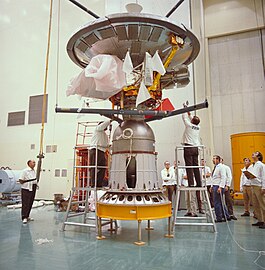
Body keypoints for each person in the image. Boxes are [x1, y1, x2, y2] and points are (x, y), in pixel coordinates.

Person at [181, 103, 202, 188]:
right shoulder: (198, 127)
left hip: (188, 147)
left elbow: (184, 118)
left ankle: (191, 183)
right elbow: (191, 119)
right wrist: (189, 111)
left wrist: (184, 109)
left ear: (192, 121)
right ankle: (199, 183)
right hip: (195, 148)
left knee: (189, 166)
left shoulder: (189, 126)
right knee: (195, 166)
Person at [89, 120, 111, 187]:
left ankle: (99, 184)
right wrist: (111, 120)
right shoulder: (97, 129)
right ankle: (93, 184)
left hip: (102, 151)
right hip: (95, 150)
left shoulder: (104, 135)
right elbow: (103, 125)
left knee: (103, 167)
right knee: (94, 167)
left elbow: (107, 145)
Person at [211, 155, 230, 222]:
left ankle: (219, 217)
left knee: (217, 203)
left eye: (214, 159)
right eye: (213, 159)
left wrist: (220, 187)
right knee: (220, 202)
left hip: (218, 186)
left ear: (218, 160)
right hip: (215, 185)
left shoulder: (221, 167)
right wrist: (211, 186)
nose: (213, 160)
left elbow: (223, 177)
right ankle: (226, 216)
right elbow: (214, 178)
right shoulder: (216, 167)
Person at [249, 151, 265, 229]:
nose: (253, 154)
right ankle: (260, 220)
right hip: (253, 185)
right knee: (256, 204)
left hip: (259, 186)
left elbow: (263, 176)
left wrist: (263, 187)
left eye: (255, 153)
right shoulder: (253, 165)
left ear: (258, 156)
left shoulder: (261, 165)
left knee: (262, 204)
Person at [19, 160, 37, 224]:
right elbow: (21, 180)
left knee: (30, 202)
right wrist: (27, 182)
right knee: (25, 203)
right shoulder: (25, 171)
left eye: (35, 162)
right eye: (33, 162)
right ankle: (24, 217)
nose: (34, 163)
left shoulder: (34, 170)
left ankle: (27, 216)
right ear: (29, 163)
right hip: (26, 188)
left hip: (33, 187)